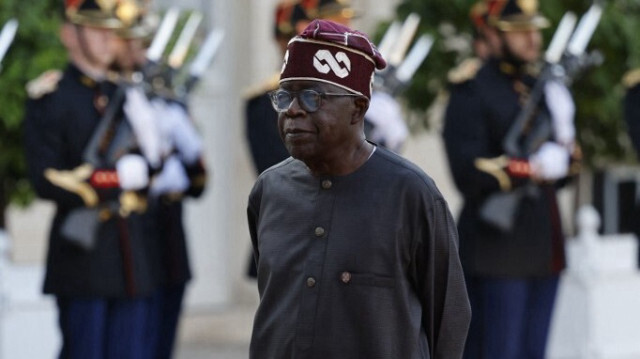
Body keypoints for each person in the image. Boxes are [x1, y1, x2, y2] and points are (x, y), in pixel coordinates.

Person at [248, 19, 470, 358]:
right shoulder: (269, 190)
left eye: (311, 97)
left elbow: (449, 318)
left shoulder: (412, 195)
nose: (292, 110)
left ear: (358, 108)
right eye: (285, 95)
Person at [23, 1, 161, 358]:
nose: (106, 40)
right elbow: (46, 178)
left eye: (110, 32)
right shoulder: (50, 98)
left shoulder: (125, 94)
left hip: (131, 255)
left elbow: (151, 170)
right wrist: (115, 178)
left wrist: (153, 157)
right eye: (96, 31)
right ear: (70, 35)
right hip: (82, 259)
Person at [442, 1, 579, 358]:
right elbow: (467, 169)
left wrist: (566, 145)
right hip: (496, 250)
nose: (532, 38)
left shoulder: (541, 87)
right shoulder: (471, 89)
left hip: (544, 247)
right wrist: (530, 168)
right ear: (493, 33)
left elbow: (567, 172)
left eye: (534, 30)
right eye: (520, 31)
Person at [111, 9, 208, 358]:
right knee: (137, 335)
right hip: (135, 218)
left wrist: (182, 143)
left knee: (165, 326)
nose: (140, 53)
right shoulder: (117, 97)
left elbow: (198, 182)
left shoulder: (164, 103)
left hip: (168, 219)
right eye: (136, 44)